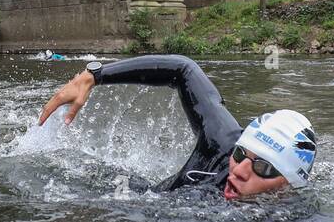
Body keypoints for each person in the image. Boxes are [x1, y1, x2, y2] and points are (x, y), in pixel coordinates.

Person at [38, 55, 317, 201]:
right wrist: (93, 76)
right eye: (242, 154)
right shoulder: (222, 145)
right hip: (136, 198)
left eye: (264, 168)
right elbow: (184, 70)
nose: (240, 171)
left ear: (288, 184)